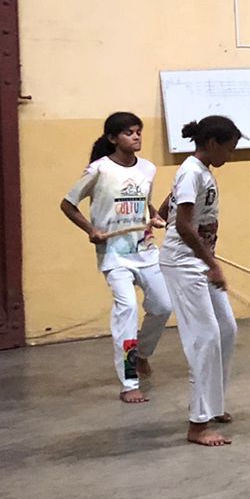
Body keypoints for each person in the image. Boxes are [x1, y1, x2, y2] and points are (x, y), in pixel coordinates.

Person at [59, 111, 172, 403]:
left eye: (138, 131)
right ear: (112, 138)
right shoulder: (98, 169)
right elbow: (68, 204)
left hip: (145, 250)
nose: (136, 137)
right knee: (127, 310)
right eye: (128, 132)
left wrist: (155, 217)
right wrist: (91, 229)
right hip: (114, 255)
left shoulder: (147, 169)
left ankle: (142, 354)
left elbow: (145, 203)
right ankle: (129, 381)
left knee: (163, 305)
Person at [160, 114, 243, 447]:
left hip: (199, 261)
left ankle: (213, 403)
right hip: (184, 263)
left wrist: (158, 215)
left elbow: (173, 203)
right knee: (204, 338)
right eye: (229, 149)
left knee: (227, 329)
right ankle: (198, 424)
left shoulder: (199, 172)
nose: (230, 156)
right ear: (211, 143)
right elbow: (182, 225)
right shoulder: (191, 172)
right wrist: (212, 264)